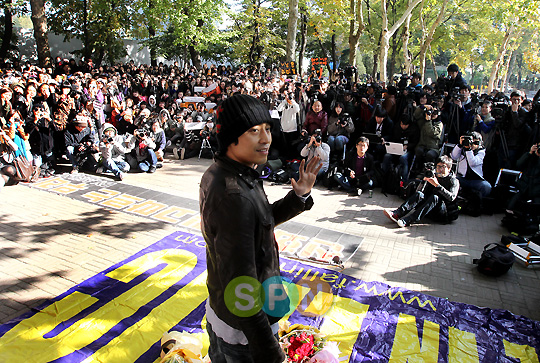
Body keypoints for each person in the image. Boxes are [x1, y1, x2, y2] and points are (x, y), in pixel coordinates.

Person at [199, 94, 320, 363]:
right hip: (243, 335)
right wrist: (269, 351)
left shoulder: (229, 171)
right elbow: (241, 286)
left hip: (228, 311)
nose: (266, 139)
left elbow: (256, 223)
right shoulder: (234, 195)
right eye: (254, 131)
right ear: (231, 138)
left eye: (267, 129)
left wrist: (298, 196)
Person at [383, 155, 459, 227]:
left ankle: (408, 220)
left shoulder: (453, 181)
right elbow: (419, 191)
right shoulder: (434, 176)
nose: (440, 169)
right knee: (419, 194)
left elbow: (451, 197)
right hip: (429, 209)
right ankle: (397, 213)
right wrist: (424, 181)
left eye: (443, 167)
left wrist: (437, 185)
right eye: (438, 166)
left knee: (435, 197)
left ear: (449, 169)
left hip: (443, 213)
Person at [450, 132, 492, 198]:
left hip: (476, 180)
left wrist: (468, 150)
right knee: (451, 180)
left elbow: (473, 163)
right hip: (462, 178)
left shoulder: (481, 152)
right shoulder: (463, 149)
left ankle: (480, 204)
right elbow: (453, 156)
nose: (472, 145)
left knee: (486, 186)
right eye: (471, 142)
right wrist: (460, 145)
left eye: (476, 143)